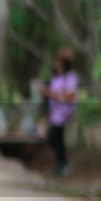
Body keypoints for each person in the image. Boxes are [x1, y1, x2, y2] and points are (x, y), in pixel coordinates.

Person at [37, 45, 78, 176]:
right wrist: (44, 92)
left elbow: (70, 95)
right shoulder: (56, 78)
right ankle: (61, 164)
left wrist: (50, 93)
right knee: (56, 138)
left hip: (64, 114)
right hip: (54, 113)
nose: (56, 64)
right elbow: (50, 93)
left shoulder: (71, 77)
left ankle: (63, 164)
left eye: (59, 61)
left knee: (54, 137)